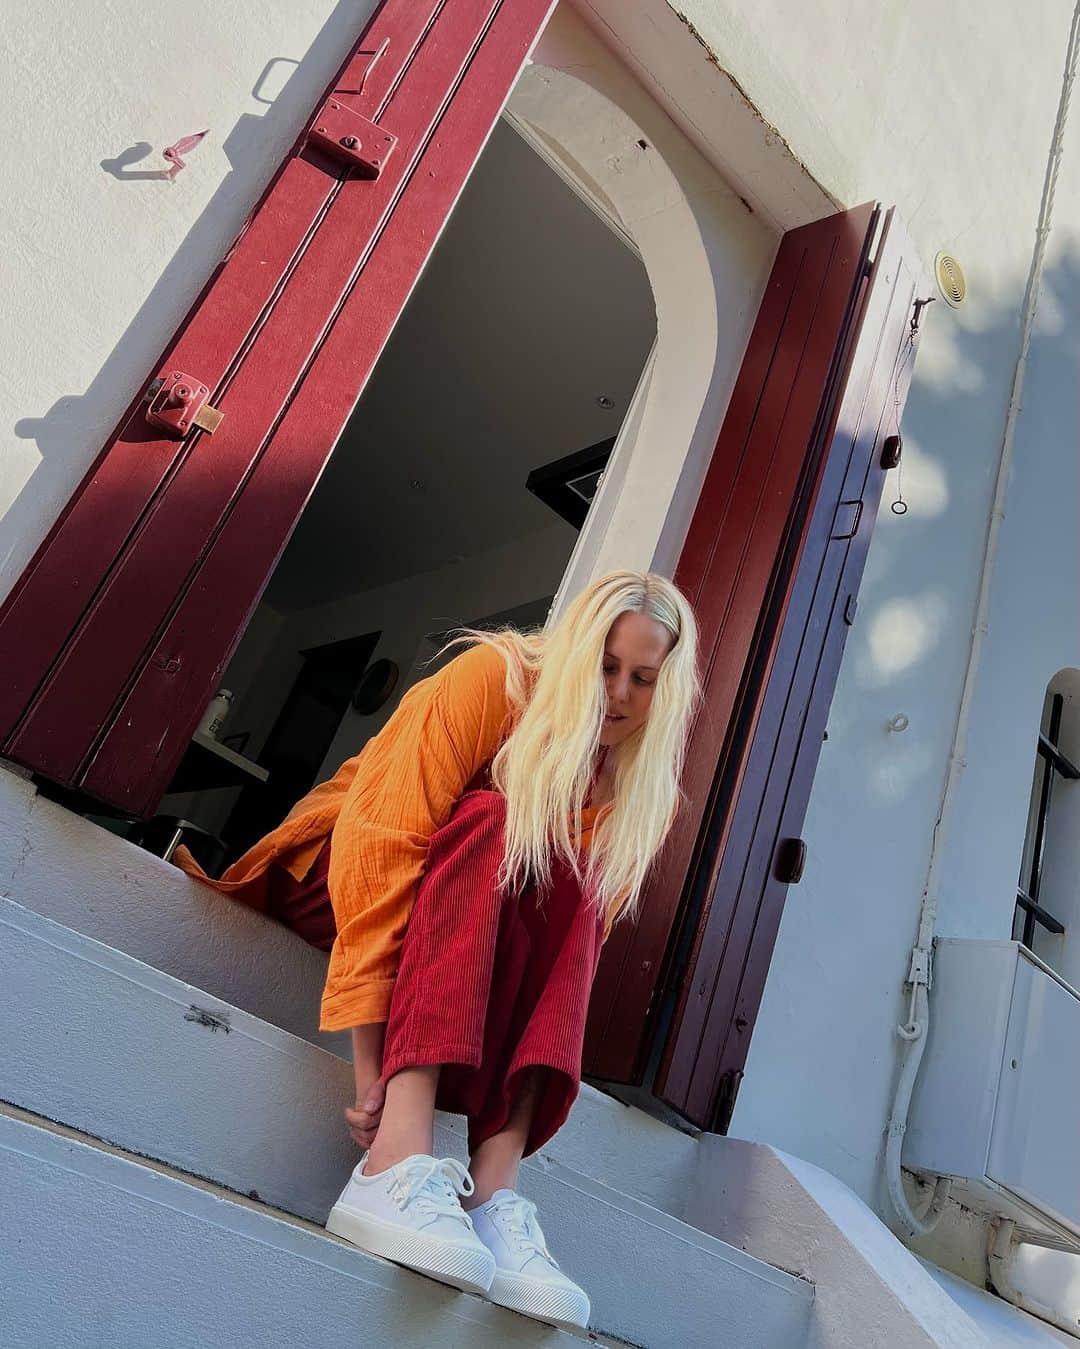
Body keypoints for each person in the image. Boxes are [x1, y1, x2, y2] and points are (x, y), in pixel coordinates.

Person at [176, 571, 699, 1331]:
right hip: (339, 873)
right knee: (495, 817)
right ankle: (393, 1159)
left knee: (578, 880)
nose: (617, 694)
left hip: (459, 922)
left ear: (666, 689)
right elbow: (380, 848)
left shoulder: (635, 788)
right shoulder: (495, 679)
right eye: (605, 666)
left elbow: (559, 955)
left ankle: (493, 1192)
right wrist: (374, 1073)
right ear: (576, 649)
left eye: (642, 679)